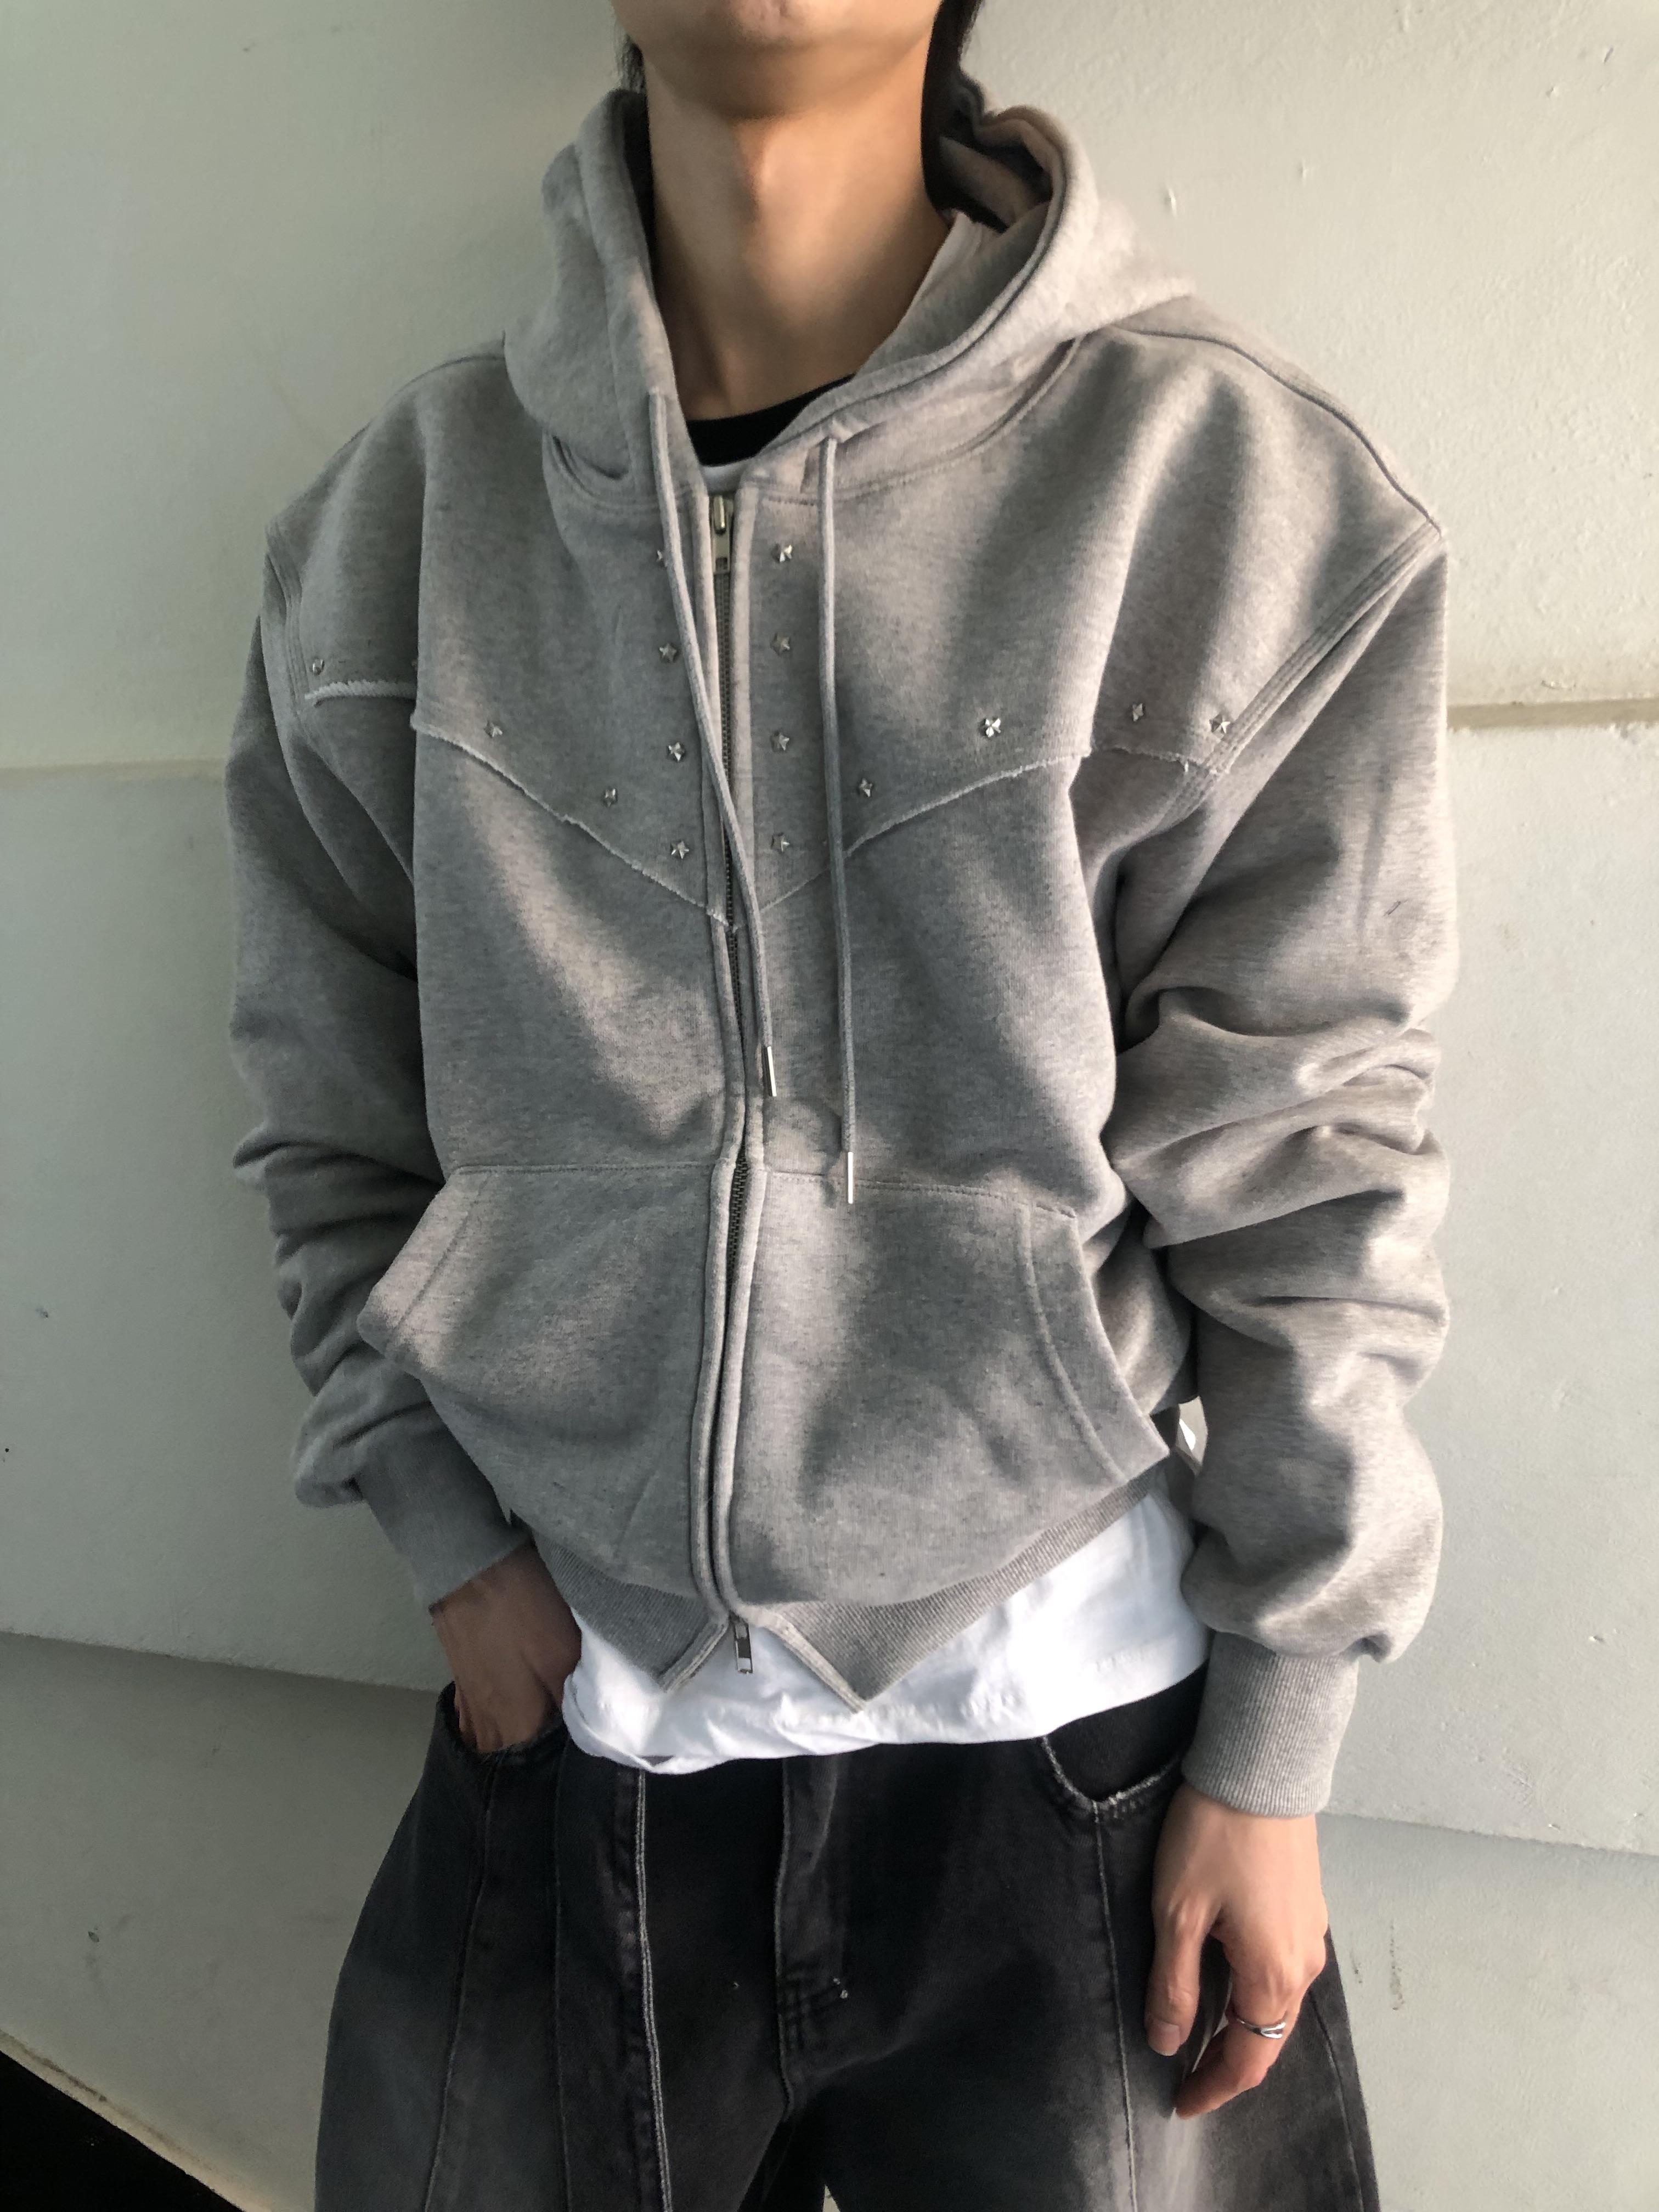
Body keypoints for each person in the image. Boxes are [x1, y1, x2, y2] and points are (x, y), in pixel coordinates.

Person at [223, 3, 1456, 2205]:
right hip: (575, 1738)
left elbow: (1308, 1153)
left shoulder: (1216, 485)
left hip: (1078, 1753)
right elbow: (331, 1107)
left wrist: (1278, 1735)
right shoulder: (397, 532)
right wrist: (449, 1550)